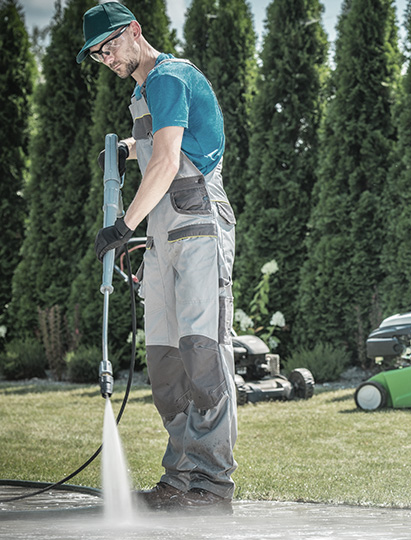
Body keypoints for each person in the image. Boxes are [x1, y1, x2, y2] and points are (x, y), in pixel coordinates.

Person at [78, 1, 237, 509]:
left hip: (196, 221)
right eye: (97, 54)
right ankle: (180, 478)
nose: (105, 58)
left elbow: (170, 160)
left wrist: (124, 226)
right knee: (166, 358)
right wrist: (126, 148)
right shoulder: (143, 93)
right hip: (166, 233)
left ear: (134, 32)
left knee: (201, 351)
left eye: (109, 46)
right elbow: (157, 145)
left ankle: (211, 486)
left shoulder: (170, 76)